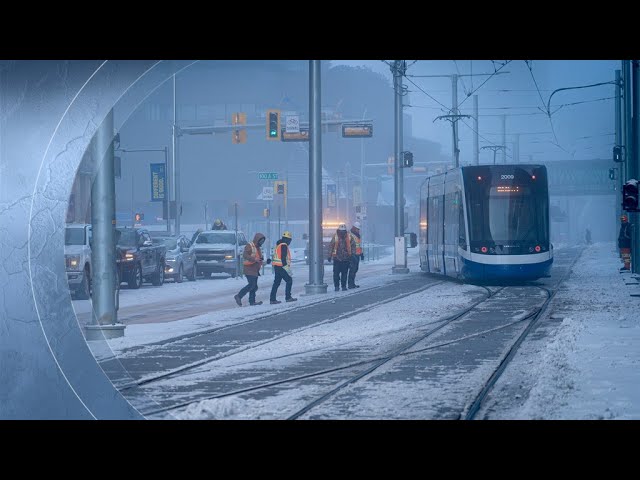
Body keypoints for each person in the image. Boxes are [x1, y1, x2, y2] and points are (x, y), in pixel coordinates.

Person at [234, 232, 269, 306]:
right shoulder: (249, 245)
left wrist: (265, 262)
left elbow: (259, 260)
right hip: (249, 269)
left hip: (255, 270)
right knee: (252, 285)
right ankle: (239, 296)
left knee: (254, 286)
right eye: (260, 241)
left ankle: (252, 301)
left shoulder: (258, 248)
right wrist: (254, 259)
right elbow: (245, 255)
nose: (261, 242)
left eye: (263, 241)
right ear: (257, 240)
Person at [270, 231, 297, 304]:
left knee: (276, 283)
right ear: (287, 239)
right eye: (289, 240)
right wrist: (288, 270)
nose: (289, 242)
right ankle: (288, 297)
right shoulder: (284, 245)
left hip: (276, 266)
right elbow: (283, 258)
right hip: (281, 267)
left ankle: (272, 299)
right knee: (289, 280)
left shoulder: (278, 245)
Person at [328, 223, 356, 292]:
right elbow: (331, 246)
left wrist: (352, 255)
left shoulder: (349, 237)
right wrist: (329, 255)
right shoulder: (335, 237)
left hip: (346, 259)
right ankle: (337, 287)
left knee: (344, 274)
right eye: (341, 231)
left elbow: (353, 246)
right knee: (336, 274)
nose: (342, 233)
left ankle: (343, 286)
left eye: (343, 231)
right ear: (338, 231)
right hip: (337, 259)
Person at [347, 221, 364, 289]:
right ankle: (350, 284)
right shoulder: (350, 235)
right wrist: (350, 254)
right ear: (354, 228)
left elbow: (358, 246)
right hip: (352, 255)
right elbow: (348, 246)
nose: (358, 230)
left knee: (355, 269)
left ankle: (352, 283)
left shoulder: (357, 236)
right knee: (352, 269)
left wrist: (361, 253)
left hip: (357, 255)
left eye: (358, 229)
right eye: (357, 229)